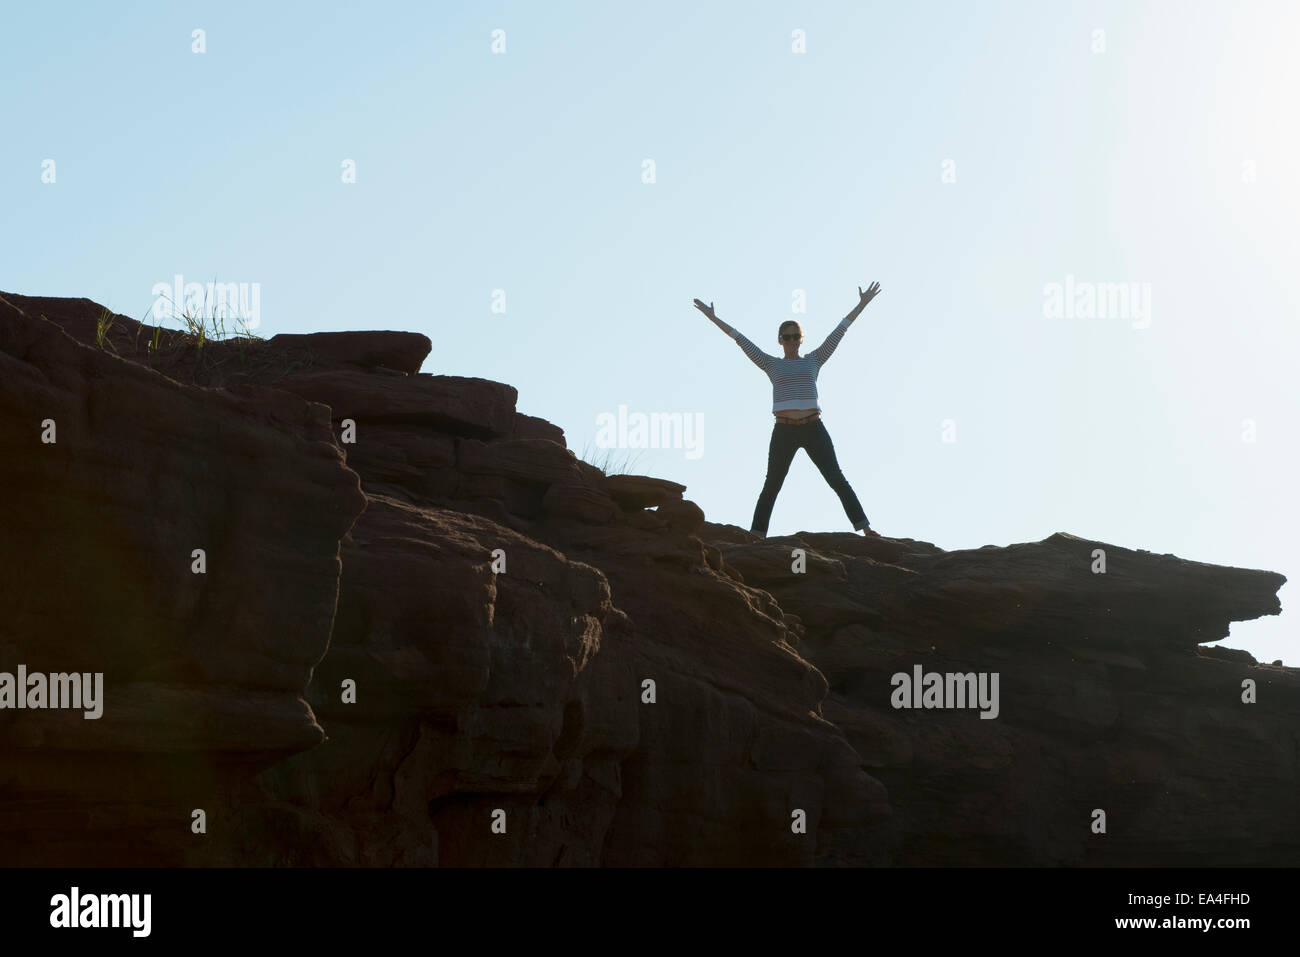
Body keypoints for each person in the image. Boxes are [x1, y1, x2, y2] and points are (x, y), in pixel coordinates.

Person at [693, 283, 883, 538]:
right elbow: (739, 339)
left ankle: (865, 528)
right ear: (780, 340)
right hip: (784, 430)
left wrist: (862, 304)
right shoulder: (770, 364)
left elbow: (839, 332)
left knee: (836, 478)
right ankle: (757, 535)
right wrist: (712, 317)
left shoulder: (814, 360)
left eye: (795, 336)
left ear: (800, 339)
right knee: (772, 484)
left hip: (814, 427)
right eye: (787, 336)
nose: (791, 340)